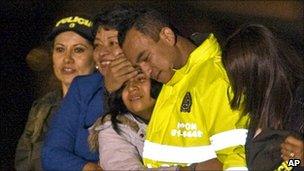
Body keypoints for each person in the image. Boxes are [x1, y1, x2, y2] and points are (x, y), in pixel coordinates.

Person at [118, 8, 249, 170]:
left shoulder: (216, 79)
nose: (146, 71)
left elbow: (237, 157)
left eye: (146, 58)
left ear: (167, 35)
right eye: (138, 66)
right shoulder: (173, 78)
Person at [41, 10, 138, 171]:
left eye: (112, 43)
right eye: (98, 45)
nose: (102, 53)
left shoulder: (153, 87)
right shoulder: (83, 88)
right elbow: (51, 153)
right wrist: (88, 168)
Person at [15, 15, 95, 171]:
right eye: (60, 49)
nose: (67, 59)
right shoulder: (42, 107)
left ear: (96, 57)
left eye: (78, 50)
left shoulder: (108, 106)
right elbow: (23, 161)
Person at [222, 24, 304, 170]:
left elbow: (294, 164)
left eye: (241, 79)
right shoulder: (257, 111)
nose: (241, 88)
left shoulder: (297, 108)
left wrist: (301, 161)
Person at [88, 72, 162, 170]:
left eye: (140, 79)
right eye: (124, 84)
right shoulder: (113, 129)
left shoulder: (183, 115)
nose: (131, 88)